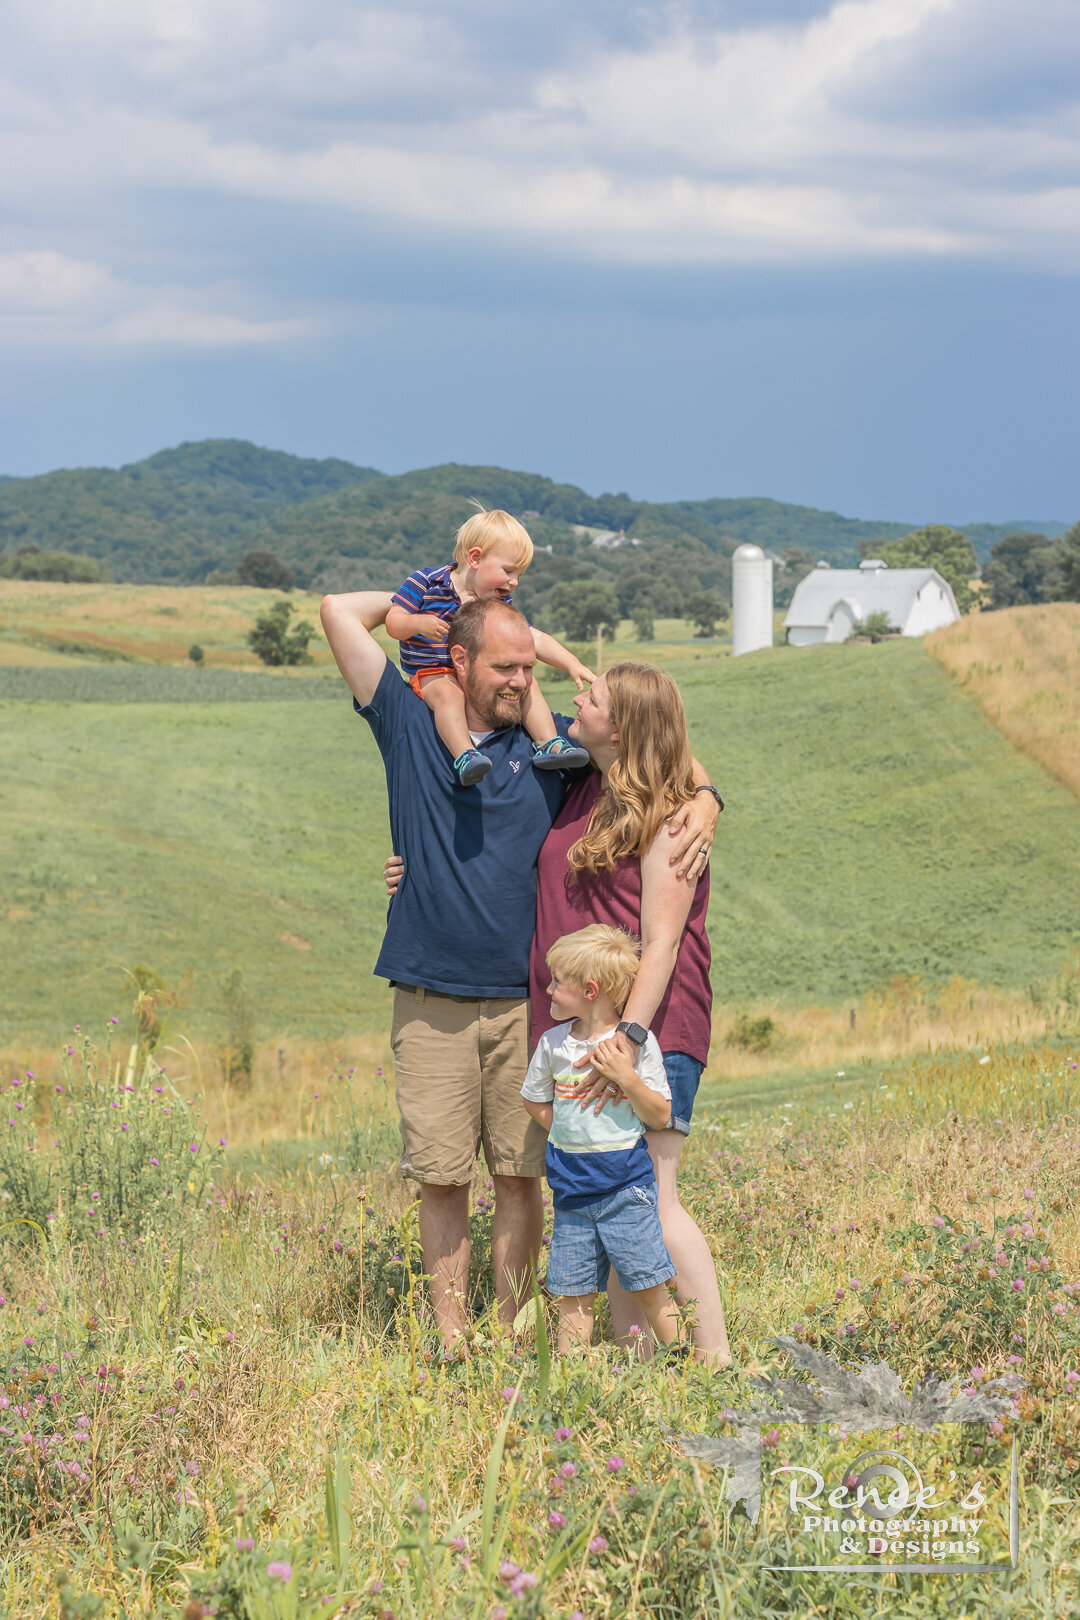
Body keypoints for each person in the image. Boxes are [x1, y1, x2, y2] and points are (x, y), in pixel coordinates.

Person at [323, 586, 720, 1355]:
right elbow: (339, 610)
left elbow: (651, 739)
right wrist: (440, 595)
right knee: (441, 1175)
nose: (520, 681)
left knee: (527, 1177)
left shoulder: (554, 755)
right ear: (461, 660)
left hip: (534, 1012)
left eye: (527, 668)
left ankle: (517, 1333)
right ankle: (451, 1339)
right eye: (503, 667)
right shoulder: (409, 722)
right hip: (429, 992)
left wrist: (707, 796)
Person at [530, 662, 732, 1367]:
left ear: (621, 726)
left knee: (652, 1196)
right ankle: (644, 1363)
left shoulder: (674, 817)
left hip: (650, 1027)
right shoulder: (590, 777)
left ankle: (712, 1359)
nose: (575, 698)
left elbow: (663, 941)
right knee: (614, 1202)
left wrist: (626, 1042)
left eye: (590, 697)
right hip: (592, 1030)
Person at [522, 924, 681, 1355]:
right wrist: (564, 1130)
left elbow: (661, 1114)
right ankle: (570, 1377)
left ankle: (688, 1366)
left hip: (626, 1190)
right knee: (572, 1293)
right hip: (571, 1194)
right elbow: (533, 1100)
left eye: (558, 982)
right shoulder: (553, 1044)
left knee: (649, 1283)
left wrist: (626, 1077)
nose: (549, 989)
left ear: (590, 990)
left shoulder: (635, 1049)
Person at [385, 507, 592, 786]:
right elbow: (393, 622)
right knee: (448, 695)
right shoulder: (426, 581)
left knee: (527, 684)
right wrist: (419, 624)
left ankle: (549, 743)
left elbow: (534, 637)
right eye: (508, 571)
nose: (514, 582)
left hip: (474, 674)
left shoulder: (496, 605)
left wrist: (570, 662)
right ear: (475, 558)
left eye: (519, 574)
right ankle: (465, 755)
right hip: (432, 672)